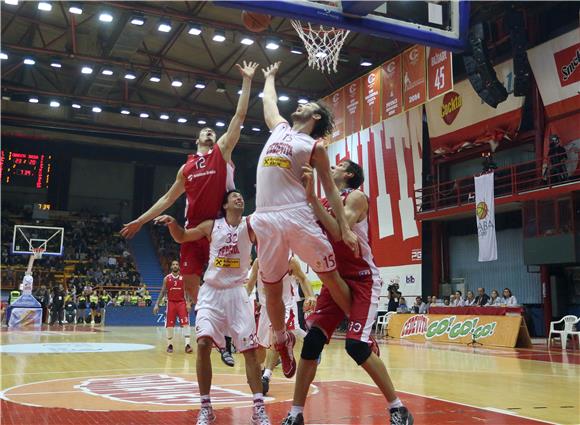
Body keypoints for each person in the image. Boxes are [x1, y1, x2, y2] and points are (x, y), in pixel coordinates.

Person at [282, 160, 413, 425]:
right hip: (335, 277)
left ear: (349, 174)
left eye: (339, 165)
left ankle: (397, 407)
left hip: (362, 278)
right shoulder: (322, 200)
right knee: (312, 342)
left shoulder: (356, 197)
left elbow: (339, 232)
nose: (333, 168)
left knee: (355, 346)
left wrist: (311, 200)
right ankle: (296, 412)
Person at [250, 61, 359, 379]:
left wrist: (344, 228)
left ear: (315, 118)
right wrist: (269, 78)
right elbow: (269, 103)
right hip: (266, 218)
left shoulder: (315, 147)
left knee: (331, 276)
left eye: (306, 105)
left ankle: (359, 331)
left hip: (297, 217)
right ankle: (282, 342)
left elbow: (332, 191)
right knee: (270, 290)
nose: (298, 105)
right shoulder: (280, 129)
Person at [121, 61, 258, 309]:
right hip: (194, 229)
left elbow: (239, 117)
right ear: (196, 139)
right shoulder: (186, 168)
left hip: (220, 228)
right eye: (204, 131)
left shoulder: (222, 152)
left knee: (229, 284)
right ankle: (210, 320)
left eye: (212, 131)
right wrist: (140, 221)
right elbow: (167, 200)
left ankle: (235, 320)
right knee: (191, 285)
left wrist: (247, 81)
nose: (209, 132)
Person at [154, 190, 271, 425]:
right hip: (212, 292)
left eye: (241, 196)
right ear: (225, 204)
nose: (239, 198)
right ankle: (205, 406)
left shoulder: (250, 224)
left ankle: (259, 407)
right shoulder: (212, 226)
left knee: (249, 351)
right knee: (203, 343)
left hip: (238, 293)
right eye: (234, 196)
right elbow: (183, 237)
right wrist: (173, 223)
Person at [246, 256, 316, 395]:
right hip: (265, 307)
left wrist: (310, 296)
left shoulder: (290, 261)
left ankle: (266, 376)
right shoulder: (259, 262)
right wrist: (240, 302)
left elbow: (303, 278)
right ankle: (260, 370)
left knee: (276, 338)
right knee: (260, 346)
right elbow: (250, 284)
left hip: (285, 305)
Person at [153, 260, 193, 354]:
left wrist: (188, 303)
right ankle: (170, 345)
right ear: (171, 267)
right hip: (171, 303)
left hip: (181, 303)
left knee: (185, 324)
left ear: (179, 267)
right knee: (169, 325)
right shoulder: (167, 278)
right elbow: (163, 292)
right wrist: (156, 304)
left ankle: (187, 345)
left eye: (176, 264)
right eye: (173, 264)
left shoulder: (183, 278)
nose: (175, 266)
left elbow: (188, 291)